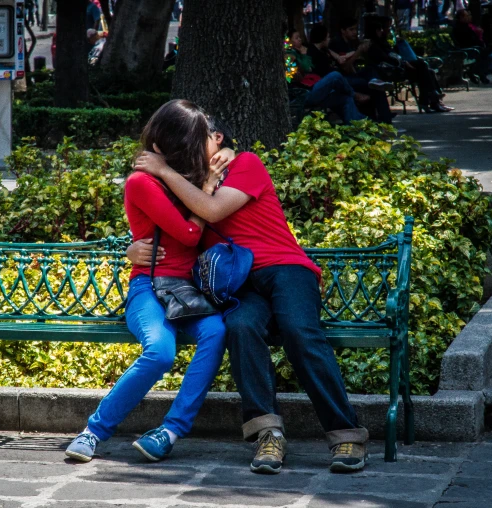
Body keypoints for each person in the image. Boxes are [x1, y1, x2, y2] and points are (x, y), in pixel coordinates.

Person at [130, 109, 370, 475]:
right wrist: (131, 250)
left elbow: (210, 209)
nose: (194, 144)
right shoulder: (194, 183)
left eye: (202, 136)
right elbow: (178, 234)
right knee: (240, 329)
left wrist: (164, 170)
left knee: (299, 332)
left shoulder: (245, 164)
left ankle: (345, 433)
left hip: (285, 268)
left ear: (219, 139)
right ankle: (267, 434)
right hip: (240, 284)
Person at [64, 100, 231, 464]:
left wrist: (213, 166)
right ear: (164, 147)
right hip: (150, 288)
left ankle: (170, 430)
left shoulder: (187, 173)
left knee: (216, 331)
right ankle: (93, 431)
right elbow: (188, 234)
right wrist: (204, 191)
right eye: (190, 142)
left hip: (187, 292)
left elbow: (228, 146)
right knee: (160, 351)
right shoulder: (142, 182)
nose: (198, 149)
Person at [367, 18, 453, 112]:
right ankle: (431, 97)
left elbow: (393, 55)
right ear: (377, 31)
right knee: (422, 65)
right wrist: (403, 62)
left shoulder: (383, 41)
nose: (387, 30)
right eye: (385, 28)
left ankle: (434, 102)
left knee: (429, 72)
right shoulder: (373, 44)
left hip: (400, 68)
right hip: (393, 71)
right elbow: (387, 58)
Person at [286, 29, 369, 125]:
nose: (300, 39)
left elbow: (323, 53)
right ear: (289, 42)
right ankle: (355, 95)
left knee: (346, 98)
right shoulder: (289, 55)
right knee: (335, 76)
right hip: (305, 94)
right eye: (296, 38)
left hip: (314, 87)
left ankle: (356, 127)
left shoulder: (305, 50)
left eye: (300, 37)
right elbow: (297, 70)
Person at [326, 20, 395, 124]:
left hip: (352, 76)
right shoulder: (337, 43)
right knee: (373, 88)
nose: (354, 32)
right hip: (342, 80)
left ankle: (374, 81)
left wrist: (364, 51)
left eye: (355, 29)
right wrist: (359, 51)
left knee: (372, 73)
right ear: (343, 31)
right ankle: (384, 121)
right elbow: (345, 67)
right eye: (351, 29)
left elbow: (354, 66)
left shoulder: (352, 42)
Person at [452, 9, 492, 83]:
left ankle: (486, 73)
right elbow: (468, 41)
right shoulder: (460, 28)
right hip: (470, 51)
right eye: (467, 16)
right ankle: (479, 73)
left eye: (469, 15)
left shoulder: (468, 26)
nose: (469, 17)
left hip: (476, 48)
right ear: (461, 18)